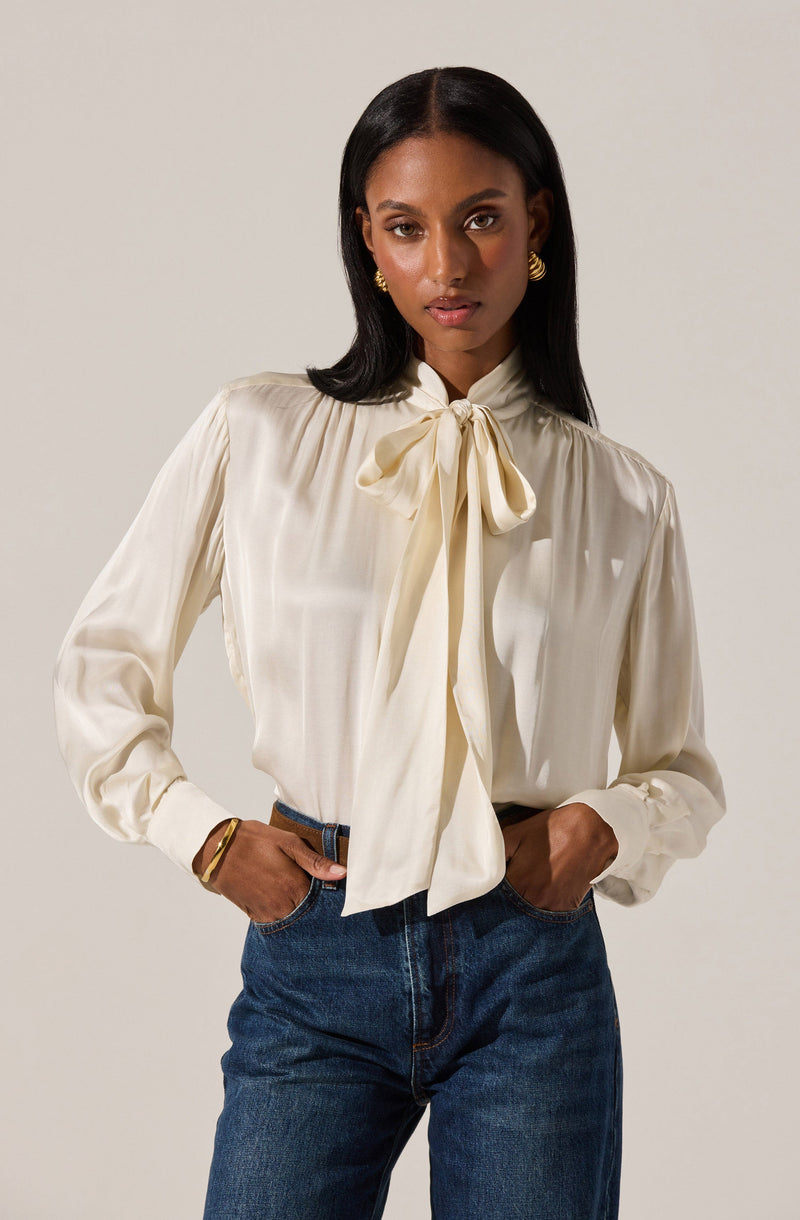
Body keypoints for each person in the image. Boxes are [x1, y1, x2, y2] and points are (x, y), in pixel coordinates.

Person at [53, 65, 726, 1220]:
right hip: (315, 948)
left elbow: (682, 771)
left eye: (480, 218)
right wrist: (200, 834)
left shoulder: (622, 496)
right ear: (366, 242)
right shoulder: (260, 433)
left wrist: (601, 824)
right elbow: (102, 661)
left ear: (536, 223)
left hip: (529, 969)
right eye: (406, 227)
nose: (447, 265)